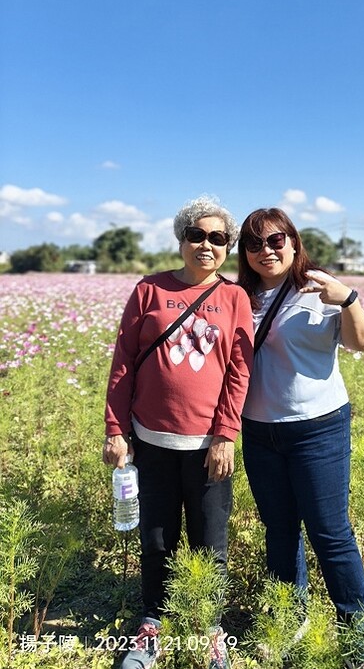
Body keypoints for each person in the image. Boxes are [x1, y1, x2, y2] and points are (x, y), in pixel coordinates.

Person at [103, 195, 253, 669]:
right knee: (156, 537)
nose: (206, 245)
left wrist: (227, 434)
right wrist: (116, 428)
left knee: (211, 540)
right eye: (197, 235)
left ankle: (210, 626)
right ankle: (153, 623)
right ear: (182, 239)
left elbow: (239, 369)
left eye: (217, 238)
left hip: (209, 446)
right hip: (150, 441)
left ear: (227, 247)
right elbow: (124, 362)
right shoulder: (149, 290)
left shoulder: (234, 297)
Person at [237, 208, 364, 669]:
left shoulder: (318, 288)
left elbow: (359, 342)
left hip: (317, 429)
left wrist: (349, 298)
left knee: (330, 533)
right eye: (255, 244)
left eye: (276, 240)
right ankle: (286, 622)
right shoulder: (240, 295)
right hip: (259, 432)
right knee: (279, 531)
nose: (267, 251)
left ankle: (360, 642)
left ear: (294, 243)